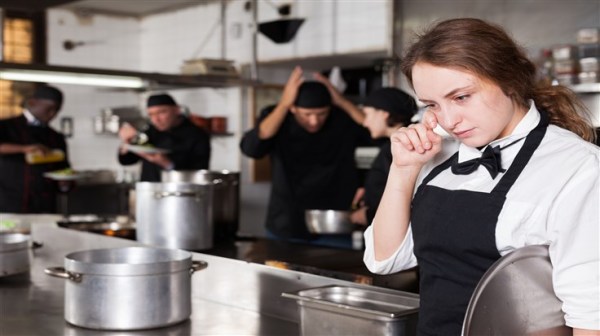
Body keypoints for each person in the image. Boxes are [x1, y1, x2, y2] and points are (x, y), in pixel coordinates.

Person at [363, 18, 599, 335]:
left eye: (461, 97)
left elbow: (591, 317)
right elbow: (384, 260)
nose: (449, 120)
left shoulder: (577, 168)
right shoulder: (439, 156)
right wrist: (403, 169)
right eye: (432, 104)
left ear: (510, 80)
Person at [240, 66, 372, 247]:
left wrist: (340, 100)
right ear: (294, 109)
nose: (314, 121)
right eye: (307, 114)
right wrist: (284, 104)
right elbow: (251, 148)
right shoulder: (277, 117)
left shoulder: (341, 117)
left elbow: (375, 130)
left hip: (334, 221)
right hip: (287, 220)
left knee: (338, 274)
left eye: (321, 114)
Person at [349, 88, 419, 225]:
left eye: (367, 114)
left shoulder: (405, 148)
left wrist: (368, 215)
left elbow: (408, 197)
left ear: (383, 114)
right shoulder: (391, 146)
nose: (365, 122)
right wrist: (368, 190)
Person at [0, 85, 70, 213]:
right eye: (49, 109)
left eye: (57, 110)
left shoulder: (56, 137)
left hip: (45, 205)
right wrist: (24, 149)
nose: (53, 114)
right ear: (32, 103)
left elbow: (64, 168)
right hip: (9, 203)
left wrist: (65, 183)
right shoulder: (6, 126)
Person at [118, 93, 211, 182]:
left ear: (177, 110)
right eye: (151, 114)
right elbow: (128, 160)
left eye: (161, 112)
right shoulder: (150, 131)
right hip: (149, 190)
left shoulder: (197, 135)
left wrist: (167, 164)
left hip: (180, 192)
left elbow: (199, 173)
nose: (156, 119)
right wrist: (128, 141)